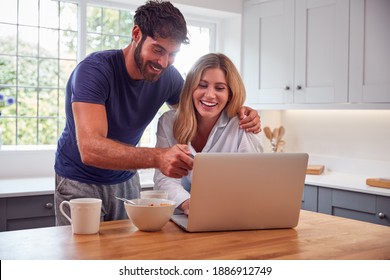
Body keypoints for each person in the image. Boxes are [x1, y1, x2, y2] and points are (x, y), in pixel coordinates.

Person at [54, 0, 261, 226]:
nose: (163, 62)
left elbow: (200, 104)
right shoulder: (94, 71)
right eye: (158, 50)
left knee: (126, 256)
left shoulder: (168, 76)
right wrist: (160, 157)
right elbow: (90, 149)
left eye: (173, 54)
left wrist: (239, 109)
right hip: (80, 180)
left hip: (126, 180)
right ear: (136, 34)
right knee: (81, 255)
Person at [154, 53, 263, 215]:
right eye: (202, 85)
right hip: (182, 217)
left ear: (230, 94)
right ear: (191, 88)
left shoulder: (242, 125)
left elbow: (252, 181)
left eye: (220, 88)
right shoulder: (168, 122)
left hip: (230, 215)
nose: (210, 95)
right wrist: (188, 204)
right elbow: (165, 178)